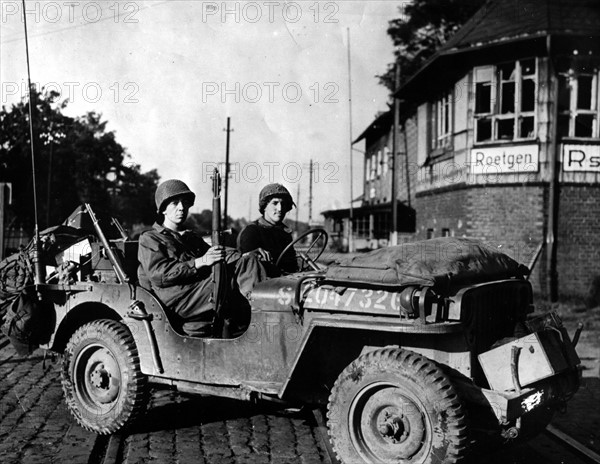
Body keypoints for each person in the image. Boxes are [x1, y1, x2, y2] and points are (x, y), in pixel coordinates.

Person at [138, 179, 266, 337]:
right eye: (175, 203)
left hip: (199, 292)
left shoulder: (190, 237)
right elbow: (159, 275)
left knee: (248, 262)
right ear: (163, 209)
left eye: (185, 203)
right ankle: (262, 316)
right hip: (178, 301)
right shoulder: (150, 238)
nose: (182, 208)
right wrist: (200, 262)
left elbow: (216, 256)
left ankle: (261, 313)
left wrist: (243, 256)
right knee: (227, 278)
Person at [237, 183, 298, 276]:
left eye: (283, 203)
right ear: (264, 206)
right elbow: (248, 272)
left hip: (287, 283)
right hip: (263, 287)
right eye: (275, 203)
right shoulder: (251, 232)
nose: (280, 208)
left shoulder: (285, 234)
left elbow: (292, 266)